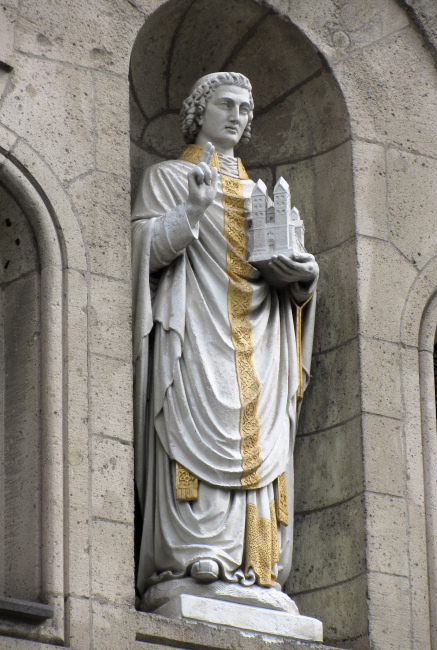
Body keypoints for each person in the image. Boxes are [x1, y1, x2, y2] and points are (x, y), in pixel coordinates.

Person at [132, 72, 318, 608]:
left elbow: (293, 277)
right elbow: (141, 248)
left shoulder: (263, 194)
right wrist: (191, 211)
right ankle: (192, 555)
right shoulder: (169, 178)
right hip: (196, 330)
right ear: (199, 113)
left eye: (247, 109)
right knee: (195, 425)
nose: (239, 117)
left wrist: (303, 276)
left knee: (260, 436)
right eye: (228, 106)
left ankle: (258, 566)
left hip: (262, 336)